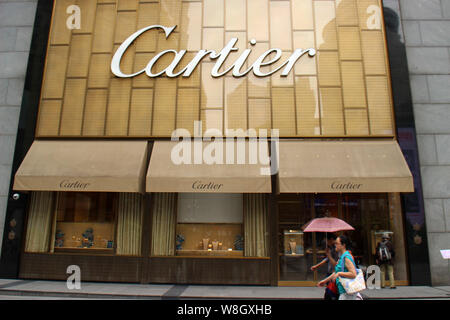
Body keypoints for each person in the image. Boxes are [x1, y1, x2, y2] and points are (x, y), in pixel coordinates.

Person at [317, 235, 362, 300]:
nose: (335, 245)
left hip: (348, 293)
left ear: (343, 245)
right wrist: (324, 281)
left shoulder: (346, 257)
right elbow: (336, 272)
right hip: (344, 292)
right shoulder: (342, 257)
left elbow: (353, 274)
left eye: (337, 243)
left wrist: (339, 274)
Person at [311, 234, 339, 300]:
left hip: (334, 273)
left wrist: (329, 255)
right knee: (330, 291)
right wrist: (316, 266)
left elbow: (336, 265)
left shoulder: (337, 250)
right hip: (331, 273)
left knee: (331, 292)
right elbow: (327, 259)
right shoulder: (332, 248)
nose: (326, 242)